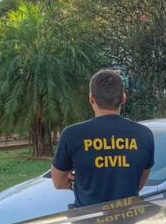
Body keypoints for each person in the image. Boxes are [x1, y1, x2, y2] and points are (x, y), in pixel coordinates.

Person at [51, 69, 155, 208]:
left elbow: (59, 182)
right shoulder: (144, 134)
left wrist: (81, 180)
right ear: (123, 98)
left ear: (91, 99)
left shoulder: (72, 134)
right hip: (127, 221)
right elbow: (139, 184)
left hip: (88, 222)